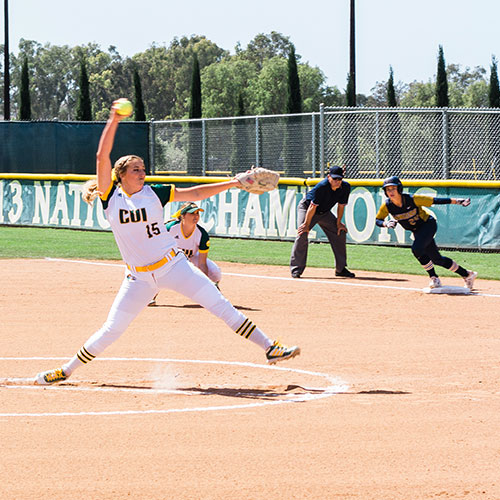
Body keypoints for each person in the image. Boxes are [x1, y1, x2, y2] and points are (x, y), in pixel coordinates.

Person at [35, 100, 300, 385]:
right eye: (135, 169)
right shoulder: (110, 196)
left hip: (174, 266)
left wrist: (233, 183)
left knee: (221, 305)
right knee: (112, 329)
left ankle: (270, 347)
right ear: (121, 175)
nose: (141, 172)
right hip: (137, 279)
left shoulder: (155, 192)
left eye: (143, 168)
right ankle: (66, 370)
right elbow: (102, 156)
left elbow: (195, 195)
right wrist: (114, 118)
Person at [375, 176, 477, 289]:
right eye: (388, 189)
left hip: (428, 224)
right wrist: (386, 224)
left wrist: (457, 201)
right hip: (417, 231)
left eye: (393, 188)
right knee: (437, 259)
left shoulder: (412, 199)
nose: (391, 192)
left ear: (399, 188)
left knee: (416, 249)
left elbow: (435, 200)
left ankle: (434, 278)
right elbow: (378, 220)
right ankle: (467, 274)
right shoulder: (387, 206)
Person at [148, 201, 221, 306]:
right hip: (167, 257)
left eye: (197, 213)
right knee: (159, 269)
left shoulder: (202, 234)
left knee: (215, 272)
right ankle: (151, 295)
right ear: (183, 216)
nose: (195, 216)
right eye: (192, 213)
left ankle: (209, 294)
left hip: (189, 258)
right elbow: (156, 246)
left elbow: (202, 263)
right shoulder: (170, 228)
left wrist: (206, 286)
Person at [290, 165, 355, 279]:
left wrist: (339, 222)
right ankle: (296, 269)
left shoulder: (345, 187)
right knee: (302, 233)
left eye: (339, 179)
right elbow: (312, 207)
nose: (337, 181)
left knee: (340, 232)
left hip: (324, 212)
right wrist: (306, 225)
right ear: (328, 177)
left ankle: (340, 269)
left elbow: (341, 206)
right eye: (334, 179)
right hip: (307, 208)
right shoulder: (322, 186)